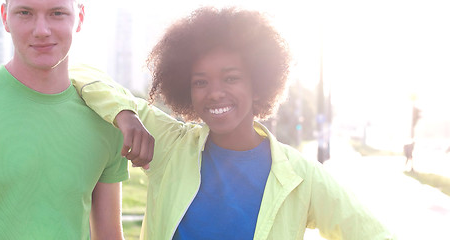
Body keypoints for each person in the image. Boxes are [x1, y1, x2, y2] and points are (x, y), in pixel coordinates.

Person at [71, 7, 395, 240]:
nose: (214, 93)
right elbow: (79, 73)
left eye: (231, 78)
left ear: (259, 82)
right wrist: (124, 113)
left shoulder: (300, 176)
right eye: (200, 82)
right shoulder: (170, 145)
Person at [0, 0, 152, 239]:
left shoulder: (107, 119)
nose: (41, 30)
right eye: (25, 13)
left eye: (57, 13)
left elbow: (108, 234)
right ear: (5, 16)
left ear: (80, 17)